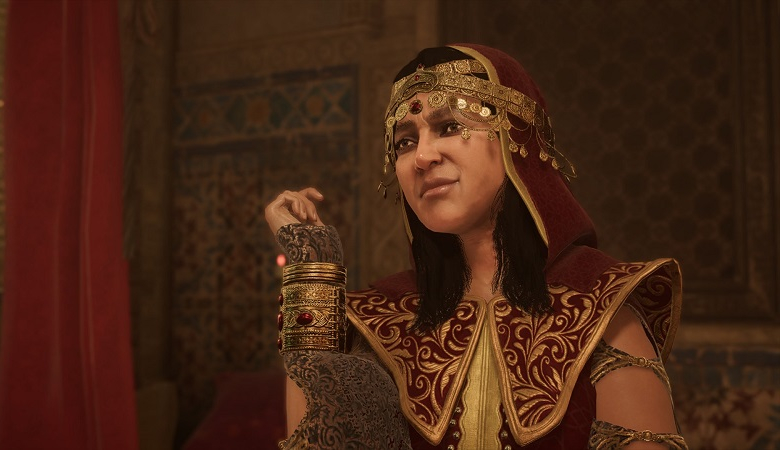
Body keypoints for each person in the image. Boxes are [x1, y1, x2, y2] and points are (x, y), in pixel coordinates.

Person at [265, 44, 687, 449]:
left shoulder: (601, 302)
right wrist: (311, 268)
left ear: (515, 139)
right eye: (405, 141)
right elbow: (317, 440)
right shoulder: (379, 320)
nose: (422, 157)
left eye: (449, 127)